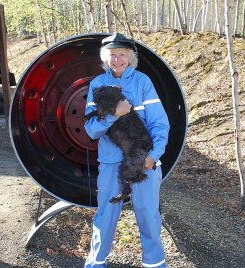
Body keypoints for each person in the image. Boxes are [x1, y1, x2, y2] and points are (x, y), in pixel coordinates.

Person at [84, 33, 170, 268]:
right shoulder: (97, 85)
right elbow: (92, 130)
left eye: (122, 54)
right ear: (105, 58)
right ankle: (96, 263)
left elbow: (160, 124)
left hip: (144, 160)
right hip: (111, 163)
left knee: (148, 215)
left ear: (130, 58)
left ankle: (154, 264)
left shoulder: (143, 82)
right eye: (112, 55)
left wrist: (154, 156)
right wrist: (115, 114)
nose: (117, 59)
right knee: (106, 214)